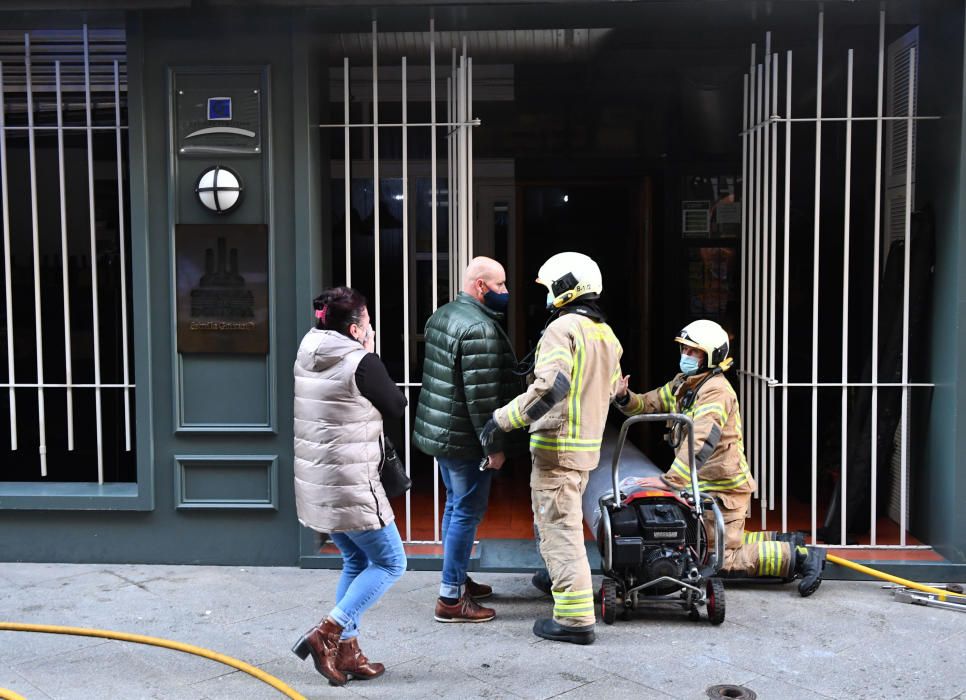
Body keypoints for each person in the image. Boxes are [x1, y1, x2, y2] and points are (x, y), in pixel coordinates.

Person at [613, 319, 826, 596]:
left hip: (723, 489)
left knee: (716, 560)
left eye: (693, 352)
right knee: (707, 541)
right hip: (702, 485)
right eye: (684, 350)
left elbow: (701, 441)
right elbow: (647, 404)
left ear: (711, 357)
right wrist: (623, 396)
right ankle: (787, 541)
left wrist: (670, 481)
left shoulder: (716, 391)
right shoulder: (685, 384)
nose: (686, 357)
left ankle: (801, 558)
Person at [481, 252, 623, 645]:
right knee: (558, 520)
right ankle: (556, 578)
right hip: (583, 449)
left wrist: (502, 419)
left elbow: (551, 388)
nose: (545, 296)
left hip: (557, 447)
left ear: (566, 288)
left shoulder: (563, 330)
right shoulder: (605, 333)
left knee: (560, 529)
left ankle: (575, 619)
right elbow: (612, 390)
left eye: (548, 288)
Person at [291, 287, 408, 686]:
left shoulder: (308, 349)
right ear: (357, 328)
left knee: (356, 562)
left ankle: (349, 652)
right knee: (392, 561)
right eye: (368, 322)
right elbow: (395, 406)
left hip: (319, 479)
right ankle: (328, 632)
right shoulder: (361, 360)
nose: (371, 328)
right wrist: (369, 351)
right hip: (351, 481)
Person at [413, 256, 524, 623]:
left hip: (444, 433)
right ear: (481, 286)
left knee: (453, 504)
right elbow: (482, 398)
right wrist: (494, 447)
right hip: (466, 439)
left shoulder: (443, 315)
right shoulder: (480, 329)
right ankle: (450, 598)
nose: (506, 292)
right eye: (501, 285)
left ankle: (457, 578)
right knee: (466, 511)